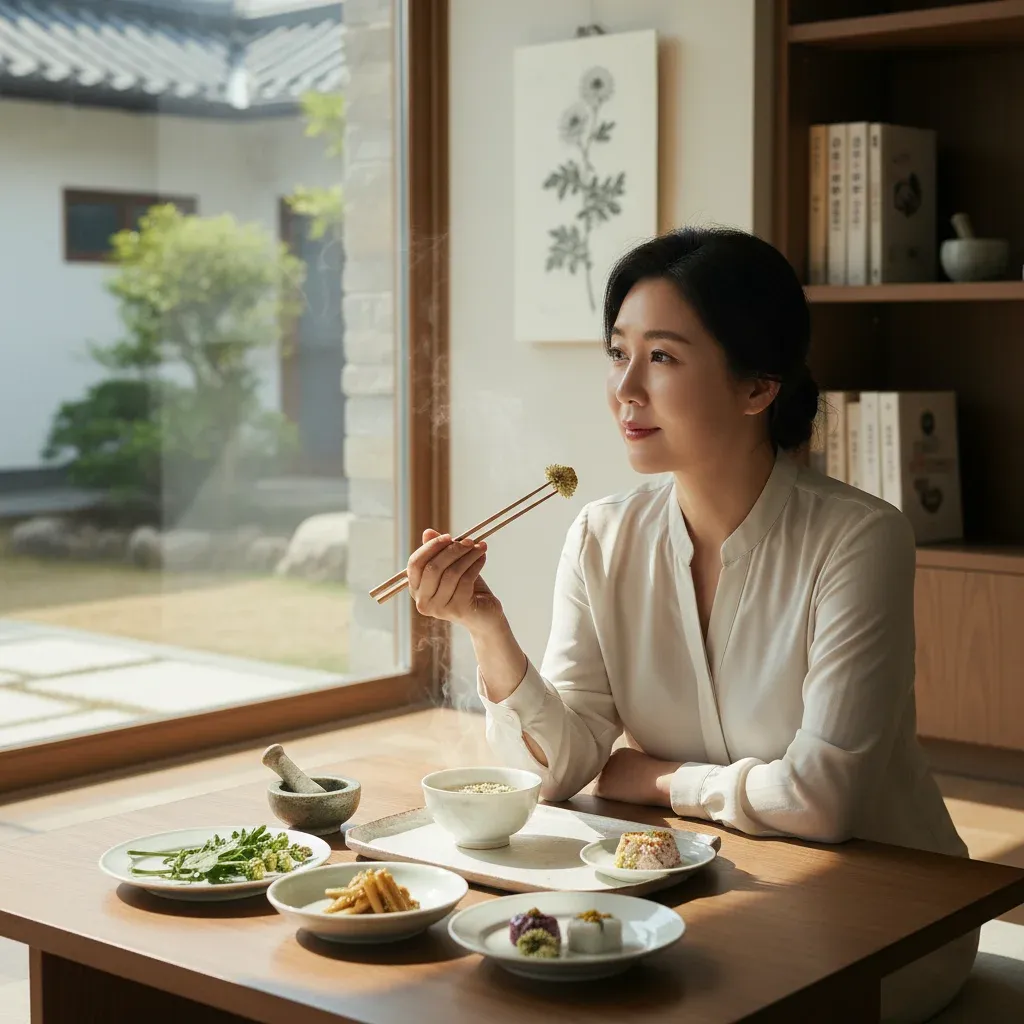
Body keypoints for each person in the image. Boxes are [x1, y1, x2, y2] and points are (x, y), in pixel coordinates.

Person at [406, 226, 976, 1022]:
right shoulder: (603, 537)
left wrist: (659, 778)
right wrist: (485, 627)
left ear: (757, 387)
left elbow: (823, 802)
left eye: (663, 357)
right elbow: (560, 770)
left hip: (888, 916)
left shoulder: (860, 540)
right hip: (700, 893)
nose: (626, 388)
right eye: (617, 353)